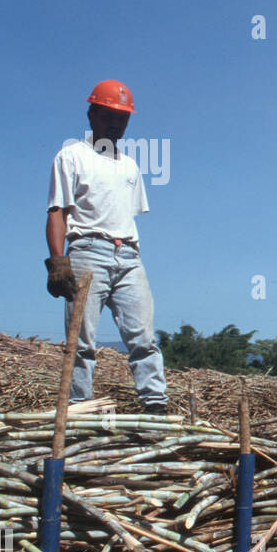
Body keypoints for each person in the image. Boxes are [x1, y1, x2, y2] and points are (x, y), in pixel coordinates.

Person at [44, 80, 168, 414]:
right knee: (81, 340)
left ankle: (155, 405)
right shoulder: (71, 156)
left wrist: (131, 253)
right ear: (92, 114)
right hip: (87, 252)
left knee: (143, 337)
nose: (116, 123)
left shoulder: (129, 166)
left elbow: (127, 216)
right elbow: (57, 212)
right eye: (110, 115)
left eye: (123, 117)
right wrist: (58, 262)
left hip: (128, 254)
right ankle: (80, 407)